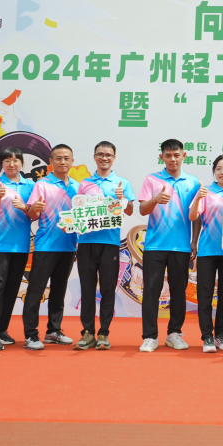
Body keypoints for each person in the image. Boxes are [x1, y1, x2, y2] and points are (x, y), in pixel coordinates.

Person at [138, 139, 200, 352]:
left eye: (176, 155)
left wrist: (194, 241)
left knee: (178, 292)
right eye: (168, 155)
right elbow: (143, 210)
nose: (173, 159)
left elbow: (197, 215)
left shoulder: (193, 182)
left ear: (184, 156)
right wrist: (156, 198)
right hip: (154, 246)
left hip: (181, 247)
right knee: (151, 292)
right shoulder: (152, 179)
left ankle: (174, 333)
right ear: (161, 157)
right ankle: (150, 336)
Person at [74, 141, 135, 351]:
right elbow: (78, 212)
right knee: (87, 289)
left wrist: (122, 198)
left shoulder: (122, 183)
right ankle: (87, 332)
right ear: (94, 157)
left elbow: (130, 211)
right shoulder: (85, 183)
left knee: (108, 289)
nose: (104, 158)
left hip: (110, 243)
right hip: (86, 242)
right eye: (100, 154)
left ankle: (104, 333)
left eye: (108, 154)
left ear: (114, 158)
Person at [23, 144, 79, 350]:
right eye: (58, 158)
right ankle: (30, 335)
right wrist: (34, 209)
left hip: (69, 246)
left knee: (58, 290)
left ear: (72, 161)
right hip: (46, 245)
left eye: (67, 158)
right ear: (51, 162)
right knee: (36, 290)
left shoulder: (78, 187)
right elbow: (32, 214)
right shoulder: (42, 185)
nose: (63, 161)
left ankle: (53, 331)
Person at [0, 147, 35, 351]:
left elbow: (34, 213)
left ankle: (2, 330)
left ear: (22, 163)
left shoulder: (30, 185)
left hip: (20, 245)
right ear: (2, 164)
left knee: (12, 289)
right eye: (7, 161)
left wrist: (26, 208)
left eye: (15, 160)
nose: (12, 164)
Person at [189, 152, 223, 353]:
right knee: (205, 294)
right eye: (219, 169)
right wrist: (198, 198)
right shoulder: (206, 191)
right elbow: (193, 216)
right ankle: (207, 336)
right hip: (207, 250)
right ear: (214, 171)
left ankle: (220, 334)